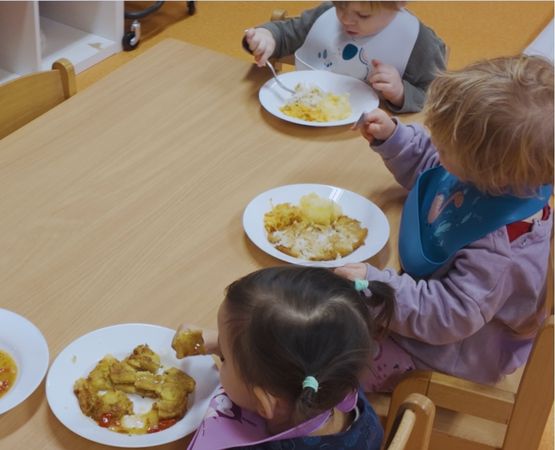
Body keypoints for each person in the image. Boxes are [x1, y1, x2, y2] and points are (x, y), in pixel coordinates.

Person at [336, 54, 553, 389]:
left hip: (444, 355)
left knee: (332, 365)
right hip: (421, 310)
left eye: (444, 141)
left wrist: (378, 288)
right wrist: (393, 137)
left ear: (489, 173)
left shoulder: (499, 250)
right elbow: (435, 168)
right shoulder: (494, 180)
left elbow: (447, 314)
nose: (432, 137)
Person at [183, 266, 396, 450]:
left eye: (225, 361)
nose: (222, 361)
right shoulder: (333, 378)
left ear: (264, 403)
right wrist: (218, 343)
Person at [244, 1, 446, 113]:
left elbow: (436, 99)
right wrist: (267, 37)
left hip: (368, 140)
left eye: (363, 15)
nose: (346, 19)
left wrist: (401, 93)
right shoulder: (326, 14)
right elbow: (287, 34)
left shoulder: (417, 42)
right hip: (303, 118)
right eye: (340, 5)